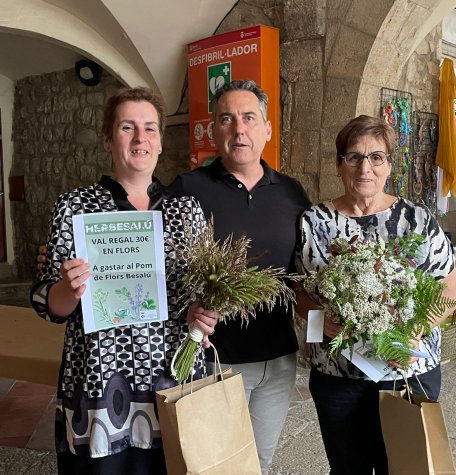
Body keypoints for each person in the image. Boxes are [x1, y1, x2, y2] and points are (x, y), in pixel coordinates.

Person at [29, 87, 218, 475]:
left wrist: (207, 316)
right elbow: (48, 303)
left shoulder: (187, 210)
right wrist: (69, 289)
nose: (139, 138)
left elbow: (207, 293)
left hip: (173, 375)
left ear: (161, 142)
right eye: (127, 127)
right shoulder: (76, 208)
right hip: (101, 378)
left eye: (149, 128)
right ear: (107, 139)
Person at [294, 115, 456, 475]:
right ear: (339, 165)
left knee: (405, 467)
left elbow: (449, 291)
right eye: (353, 157)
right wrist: (325, 326)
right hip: (339, 377)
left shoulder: (417, 220)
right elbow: (300, 293)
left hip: (407, 372)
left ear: (389, 165)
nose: (364, 167)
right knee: (347, 468)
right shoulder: (314, 221)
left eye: (376, 157)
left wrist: (414, 330)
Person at [169, 79, 311, 474]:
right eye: (227, 119)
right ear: (214, 131)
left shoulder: (291, 193)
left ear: (267, 130)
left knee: (260, 462)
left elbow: (306, 269)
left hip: (279, 358)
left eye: (249, 118)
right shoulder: (188, 189)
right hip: (217, 357)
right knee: (216, 465)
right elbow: (160, 262)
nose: (238, 128)